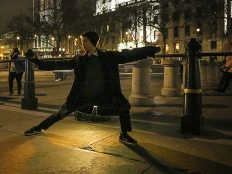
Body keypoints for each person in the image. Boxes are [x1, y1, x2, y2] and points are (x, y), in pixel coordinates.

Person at [24, 31, 159, 145]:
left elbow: (129, 54)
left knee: (123, 106)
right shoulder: (79, 59)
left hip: (104, 94)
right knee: (61, 113)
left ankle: (124, 134)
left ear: (93, 42)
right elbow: (59, 64)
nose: (83, 44)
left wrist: (149, 50)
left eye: (85, 41)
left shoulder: (108, 57)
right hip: (83, 95)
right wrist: (36, 61)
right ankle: (39, 127)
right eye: (82, 41)